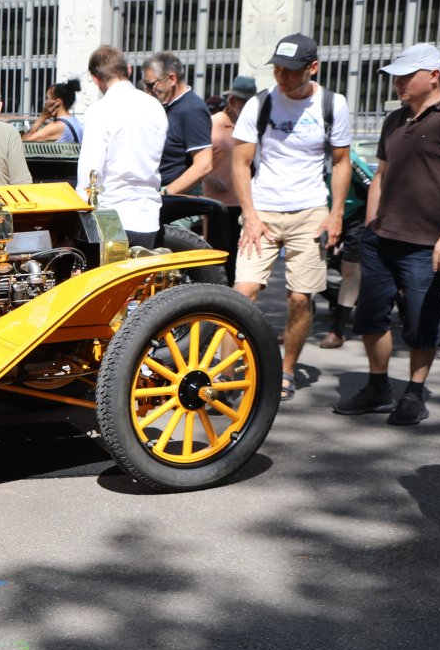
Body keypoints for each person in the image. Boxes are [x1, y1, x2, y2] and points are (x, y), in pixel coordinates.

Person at [231, 32, 351, 403]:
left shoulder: (333, 104)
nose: (282, 76)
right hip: (262, 210)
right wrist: (250, 215)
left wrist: (336, 214)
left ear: (312, 67)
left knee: (300, 298)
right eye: (278, 68)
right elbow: (240, 162)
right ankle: (230, 374)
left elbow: (341, 162)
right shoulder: (260, 103)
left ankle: (285, 370)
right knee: (242, 294)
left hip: (310, 212)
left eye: (291, 70)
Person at [335, 43, 440, 426]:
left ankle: (413, 393)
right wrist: (371, 225)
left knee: (420, 322)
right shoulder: (395, 120)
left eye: (406, 76)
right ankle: (378, 387)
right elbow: (380, 175)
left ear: (434, 76)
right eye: (395, 76)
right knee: (370, 317)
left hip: (426, 244)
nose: (398, 83)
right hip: (381, 238)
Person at [77, 44, 169, 250]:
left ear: (95, 78)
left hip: (111, 216)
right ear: (128, 69)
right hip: (148, 217)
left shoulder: (100, 110)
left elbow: (90, 173)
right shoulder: (155, 107)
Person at [202, 75, 257, 283]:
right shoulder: (214, 123)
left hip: (244, 204)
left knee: (240, 257)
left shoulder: (252, 125)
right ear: (233, 101)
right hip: (217, 204)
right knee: (217, 256)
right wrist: (210, 179)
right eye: (245, 102)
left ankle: (233, 296)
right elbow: (194, 161)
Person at [142, 52, 213, 198]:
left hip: (177, 201)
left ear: (172, 79)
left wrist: (166, 193)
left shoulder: (193, 110)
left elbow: (204, 165)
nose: (147, 91)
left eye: (151, 85)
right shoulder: (163, 106)